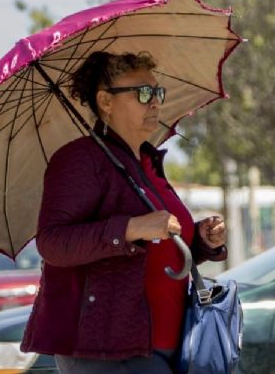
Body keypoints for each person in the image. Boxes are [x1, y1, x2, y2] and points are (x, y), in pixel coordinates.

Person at [20, 51, 228, 373]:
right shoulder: (79, 160)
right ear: (105, 101)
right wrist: (131, 228)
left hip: (164, 342)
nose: (155, 102)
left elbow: (158, 248)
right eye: (143, 93)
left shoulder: (146, 163)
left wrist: (200, 239)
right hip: (107, 351)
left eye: (157, 92)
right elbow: (52, 243)